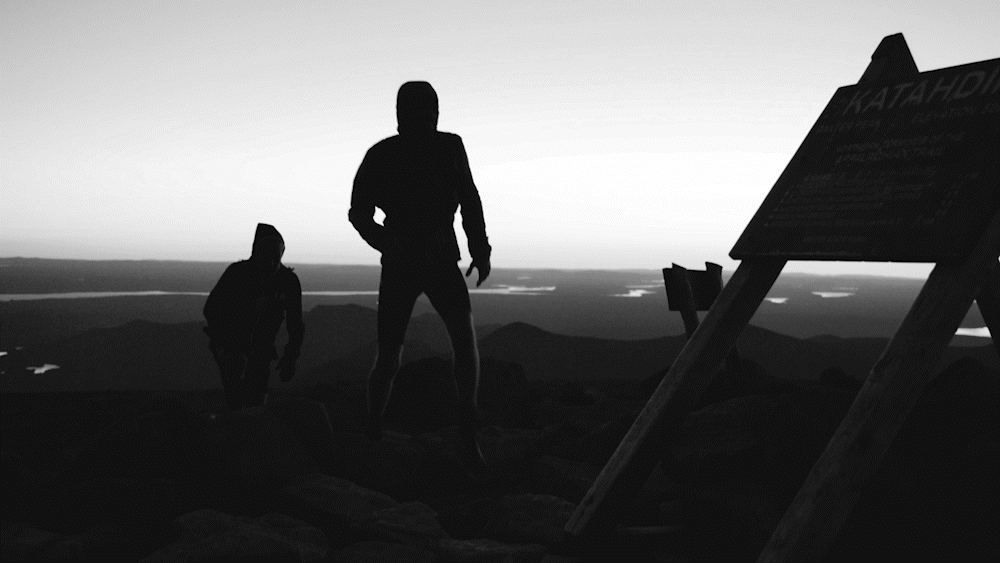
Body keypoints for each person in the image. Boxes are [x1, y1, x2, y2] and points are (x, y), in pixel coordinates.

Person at [349, 81, 492, 472]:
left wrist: (480, 249)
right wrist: (384, 241)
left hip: (435, 258)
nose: (422, 120)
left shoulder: (444, 148)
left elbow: (468, 199)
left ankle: (465, 431)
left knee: (459, 341)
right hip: (407, 260)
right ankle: (376, 426)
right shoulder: (386, 154)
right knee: (394, 353)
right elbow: (359, 211)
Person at [203, 223, 304, 411]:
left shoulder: (288, 281)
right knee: (237, 387)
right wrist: (250, 308)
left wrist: (291, 356)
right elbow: (212, 310)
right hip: (230, 342)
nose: (272, 263)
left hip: (262, 347)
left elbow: (295, 323)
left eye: (277, 256)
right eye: (267, 256)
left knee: (256, 399)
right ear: (256, 252)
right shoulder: (237, 273)